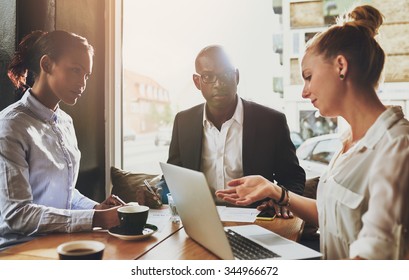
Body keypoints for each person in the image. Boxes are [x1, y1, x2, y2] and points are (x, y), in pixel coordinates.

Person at [216, 5, 409, 260]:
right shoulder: (348, 144)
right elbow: (331, 215)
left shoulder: (397, 148)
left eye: (308, 76)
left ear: (341, 66)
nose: (304, 92)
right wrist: (274, 191)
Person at [0, 30, 121, 249]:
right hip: (19, 251)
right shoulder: (11, 126)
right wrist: (96, 220)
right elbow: (16, 214)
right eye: (76, 70)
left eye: (86, 75)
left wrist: (96, 209)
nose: (83, 83)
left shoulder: (65, 122)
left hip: (60, 242)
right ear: (46, 64)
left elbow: (63, 193)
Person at [166, 45, 305, 216]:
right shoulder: (183, 121)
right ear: (197, 82)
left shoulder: (271, 121)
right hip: (201, 219)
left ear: (236, 77)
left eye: (225, 74)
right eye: (208, 76)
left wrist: (282, 199)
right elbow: (174, 176)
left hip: (257, 217)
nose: (219, 83)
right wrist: (155, 191)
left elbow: (293, 177)